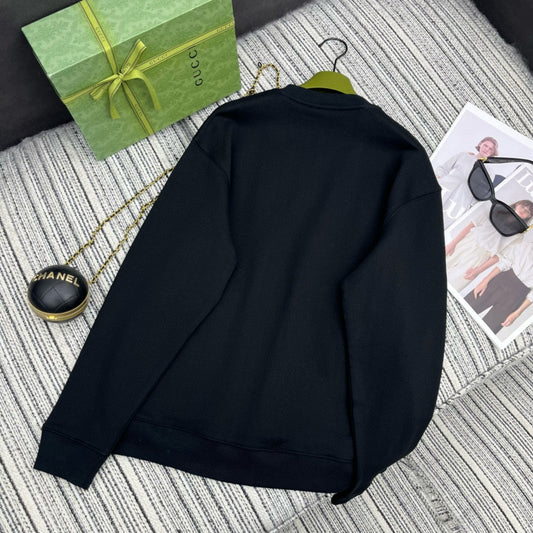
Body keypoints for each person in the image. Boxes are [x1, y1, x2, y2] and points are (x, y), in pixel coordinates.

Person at [445, 199, 533, 291]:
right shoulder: (495, 211)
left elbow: (499, 256)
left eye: (527, 211)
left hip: (480, 257)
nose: (523, 210)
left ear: (529, 216)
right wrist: (452, 244)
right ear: (517, 204)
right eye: (522, 206)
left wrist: (478, 270)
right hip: (467, 242)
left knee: (455, 284)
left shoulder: (518, 235)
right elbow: (471, 225)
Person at [464, 236, 533, 334]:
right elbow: (505, 263)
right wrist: (484, 281)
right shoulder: (526, 246)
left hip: (515, 298)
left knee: (486, 332)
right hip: (498, 282)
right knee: (464, 308)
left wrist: (517, 313)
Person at [435, 136, 498, 227]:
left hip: (458, 203)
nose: (487, 149)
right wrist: (437, 182)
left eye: (490, 149)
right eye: (485, 145)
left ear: (493, 152)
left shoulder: (489, 172)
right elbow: (443, 169)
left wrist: (469, 208)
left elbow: (482, 194)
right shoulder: (463, 155)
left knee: (441, 225)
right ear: (480, 144)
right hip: (443, 189)